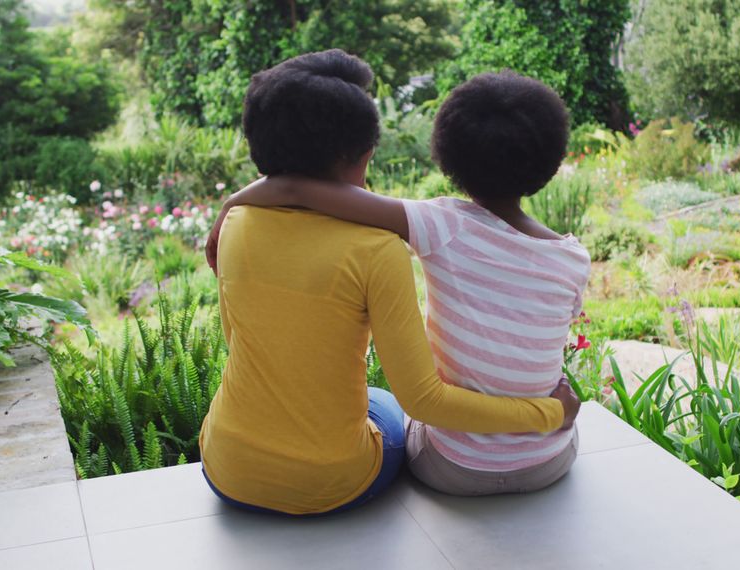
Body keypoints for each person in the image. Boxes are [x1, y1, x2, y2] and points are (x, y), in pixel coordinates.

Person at [198, 51, 579, 515]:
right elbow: (424, 399)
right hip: (334, 483)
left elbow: (239, 339)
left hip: (226, 469)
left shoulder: (236, 224)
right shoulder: (377, 249)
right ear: (359, 156)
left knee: (374, 402)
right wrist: (551, 412)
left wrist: (230, 204)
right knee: (389, 409)